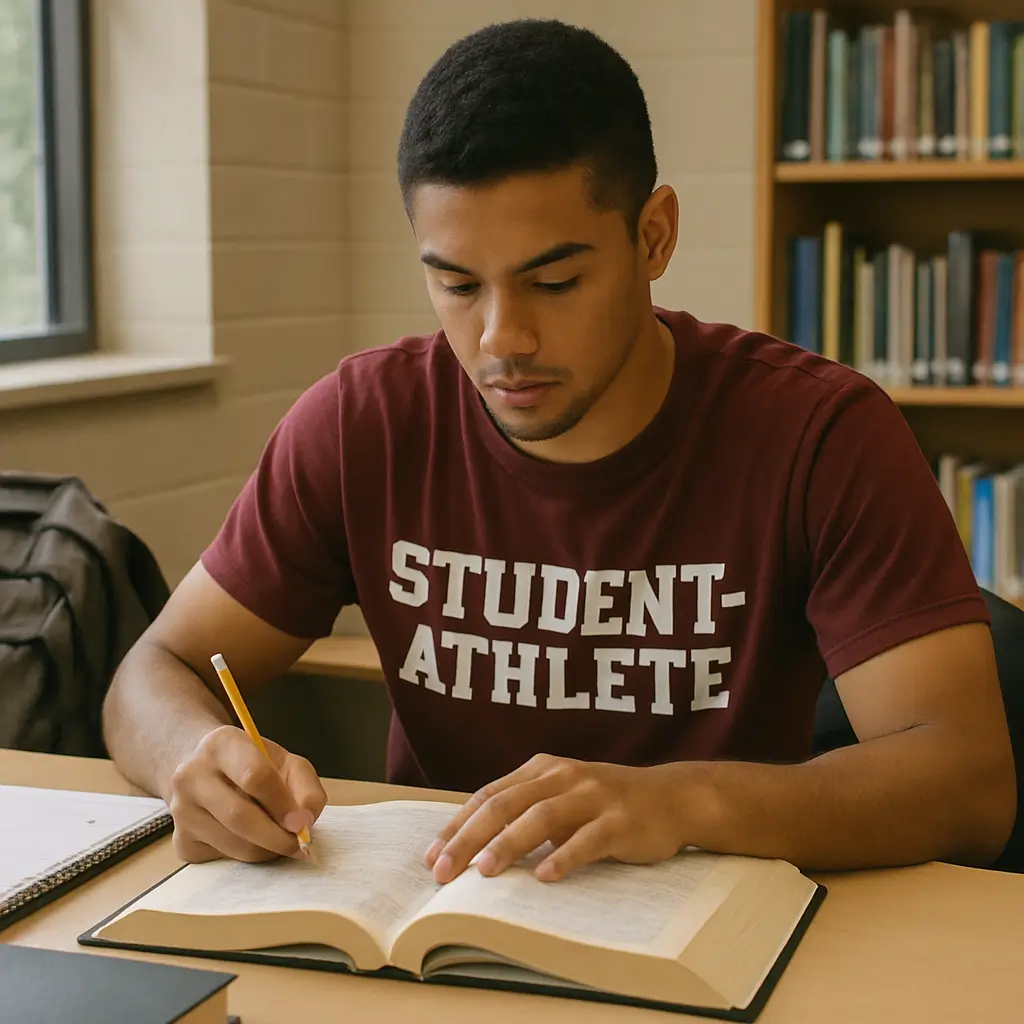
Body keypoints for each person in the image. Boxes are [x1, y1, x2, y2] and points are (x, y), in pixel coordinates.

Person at [103, 18, 1016, 885]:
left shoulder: (821, 435)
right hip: (442, 918)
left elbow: (966, 781)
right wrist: (195, 754)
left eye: (556, 281)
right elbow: (154, 671)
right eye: (458, 285)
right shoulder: (361, 424)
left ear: (653, 237)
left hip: (727, 928)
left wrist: (679, 803)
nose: (502, 338)